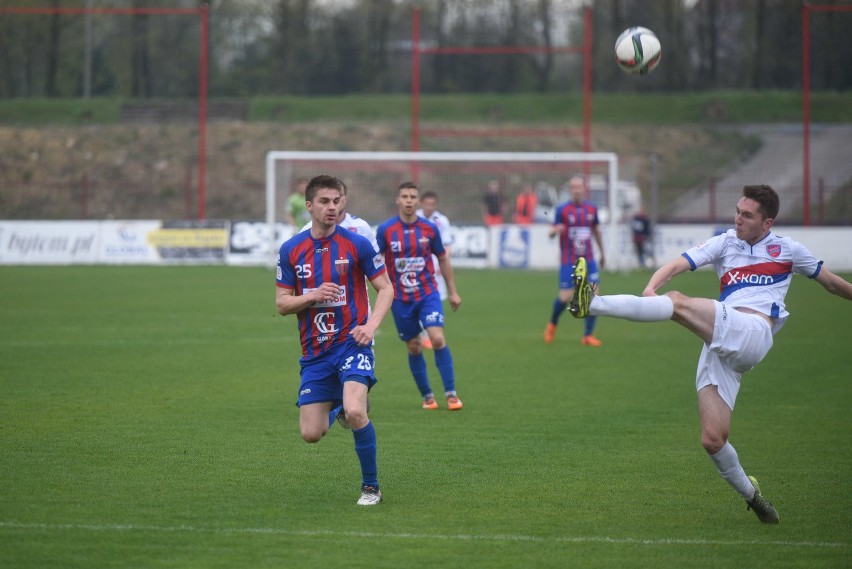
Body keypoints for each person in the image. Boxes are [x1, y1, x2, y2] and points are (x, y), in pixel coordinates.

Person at [568, 184, 852, 524]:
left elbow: (833, 283)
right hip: (724, 344)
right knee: (713, 439)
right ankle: (755, 498)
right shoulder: (725, 241)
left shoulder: (788, 249)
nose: (738, 219)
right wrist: (651, 288)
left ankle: (592, 304)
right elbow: (677, 264)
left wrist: (661, 298)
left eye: (747, 215)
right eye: (737, 211)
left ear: (768, 223)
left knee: (677, 302)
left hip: (752, 332)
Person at [276, 174, 394, 506]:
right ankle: (341, 403)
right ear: (309, 205)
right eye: (325, 201)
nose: (333, 207)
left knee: (357, 412)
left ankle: (371, 487)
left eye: (337, 201)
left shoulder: (357, 243)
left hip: (352, 343)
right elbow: (282, 304)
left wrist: (370, 327)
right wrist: (311, 296)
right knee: (311, 434)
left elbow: (386, 288)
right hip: (315, 352)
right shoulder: (291, 249)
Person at [376, 181, 464, 411]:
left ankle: (451, 394)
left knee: (436, 338)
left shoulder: (429, 228)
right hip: (400, 299)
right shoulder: (386, 230)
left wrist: (452, 291)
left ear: (418, 201)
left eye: (412, 196)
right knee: (414, 346)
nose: (408, 200)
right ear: (398, 200)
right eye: (404, 196)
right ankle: (428, 397)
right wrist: (382, 290)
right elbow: (375, 262)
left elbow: (443, 258)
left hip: (427, 293)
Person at [543, 176, 606, 347]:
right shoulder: (562, 210)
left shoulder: (592, 209)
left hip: (589, 259)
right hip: (568, 259)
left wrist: (603, 253)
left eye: (579, 187)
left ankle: (588, 335)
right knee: (565, 298)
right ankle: (552, 324)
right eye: (573, 187)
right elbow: (550, 233)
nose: (577, 190)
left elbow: (596, 232)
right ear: (570, 190)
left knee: (594, 297)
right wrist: (556, 229)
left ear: (584, 189)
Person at [415, 190, 453, 349]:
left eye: (432, 204)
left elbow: (447, 245)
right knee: (417, 298)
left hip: (435, 268)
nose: (429, 207)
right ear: (421, 203)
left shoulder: (441, 220)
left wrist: (442, 263)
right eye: (427, 204)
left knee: (436, 298)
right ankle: (423, 334)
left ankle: (433, 330)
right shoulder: (414, 217)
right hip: (416, 267)